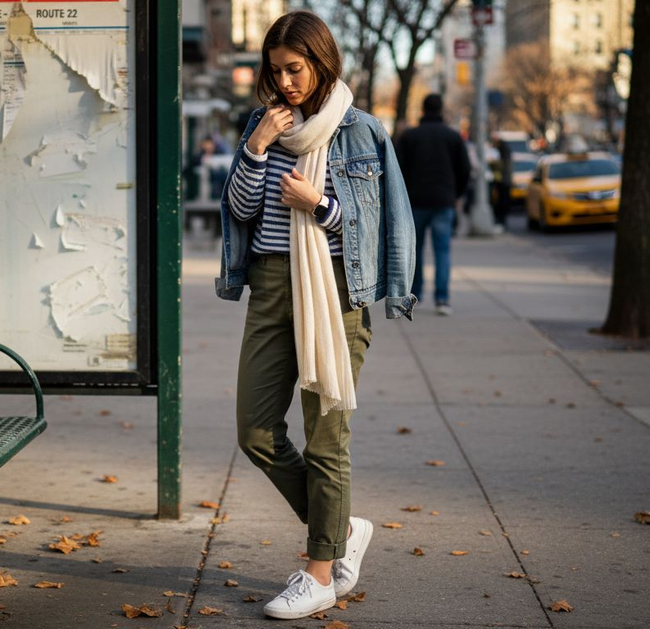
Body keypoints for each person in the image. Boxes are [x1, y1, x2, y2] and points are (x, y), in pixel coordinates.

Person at [216, 10, 416, 620]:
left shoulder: (362, 132)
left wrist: (322, 204)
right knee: (254, 431)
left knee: (326, 437)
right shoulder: (263, 125)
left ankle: (320, 572)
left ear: (321, 61)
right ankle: (341, 528)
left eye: (295, 69)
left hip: (333, 290)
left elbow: (385, 222)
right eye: (275, 72)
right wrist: (255, 148)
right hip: (272, 285)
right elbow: (242, 210)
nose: (285, 83)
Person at [395, 94, 470, 316]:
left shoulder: (409, 137)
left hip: (414, 202)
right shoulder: (453, 136)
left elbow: (397, 170)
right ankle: (442, 299)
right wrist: (455, 194)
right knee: (442, 251)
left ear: (422, 109)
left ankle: (414, 296)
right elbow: (465, 170)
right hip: (443, 201)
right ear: (441, 110)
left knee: (414, 252)